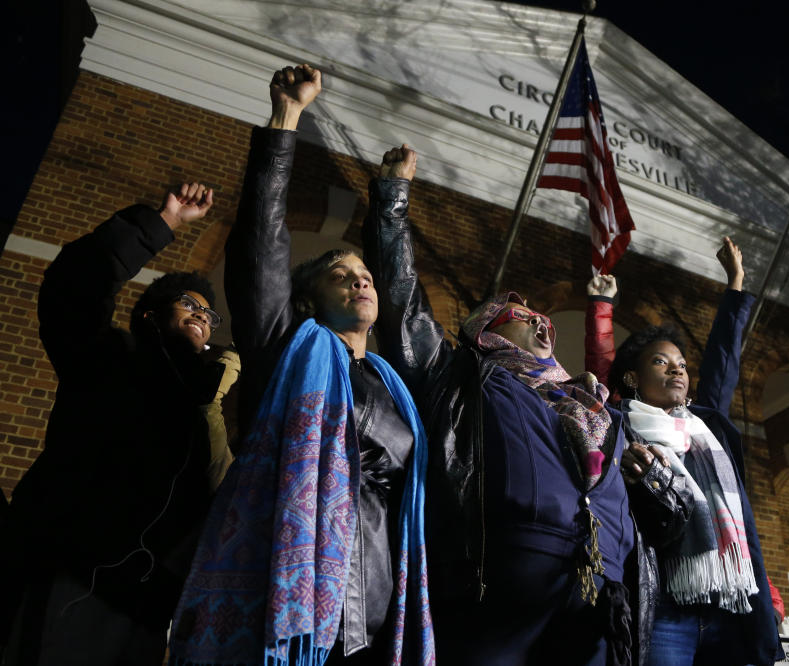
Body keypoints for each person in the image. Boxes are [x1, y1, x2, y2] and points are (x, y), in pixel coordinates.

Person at [362, 144, 692, 666]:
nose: (542, 320)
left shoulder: (592, 401)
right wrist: (392, 200)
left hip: (600, 596)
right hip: (499, 583)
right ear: (486, 329)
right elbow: (401, 302)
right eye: (521, 314)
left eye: (543, 316)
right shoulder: (464, 375)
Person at [168, 64, 434, 666]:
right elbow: (262, 243)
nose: (361, 283)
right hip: (287, 601)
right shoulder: (291, 346)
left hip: (376, 608)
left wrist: (393, 198)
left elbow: (403, 287)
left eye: (365, 276)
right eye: (341, 276)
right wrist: (285, 119)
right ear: (311, 300)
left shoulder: (395, 388)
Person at [2, 183, 236, 666]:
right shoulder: (111, 357)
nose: (202, 315)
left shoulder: (204, 411)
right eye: (188, 304)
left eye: (209, 314)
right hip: (57, 572)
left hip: (138, 611)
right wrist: (162, 223)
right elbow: (73, 288)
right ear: (150, 315)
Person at [585, 238, 783, 666]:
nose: (677, 368)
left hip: (729, 605)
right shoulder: (622, 425)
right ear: (634, 379)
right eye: (661, 362)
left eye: (681, 363)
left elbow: (723, 360)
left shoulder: (705, 425)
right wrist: (601, 305)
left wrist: (736, 284)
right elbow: (602, 370)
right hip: (664, 609)